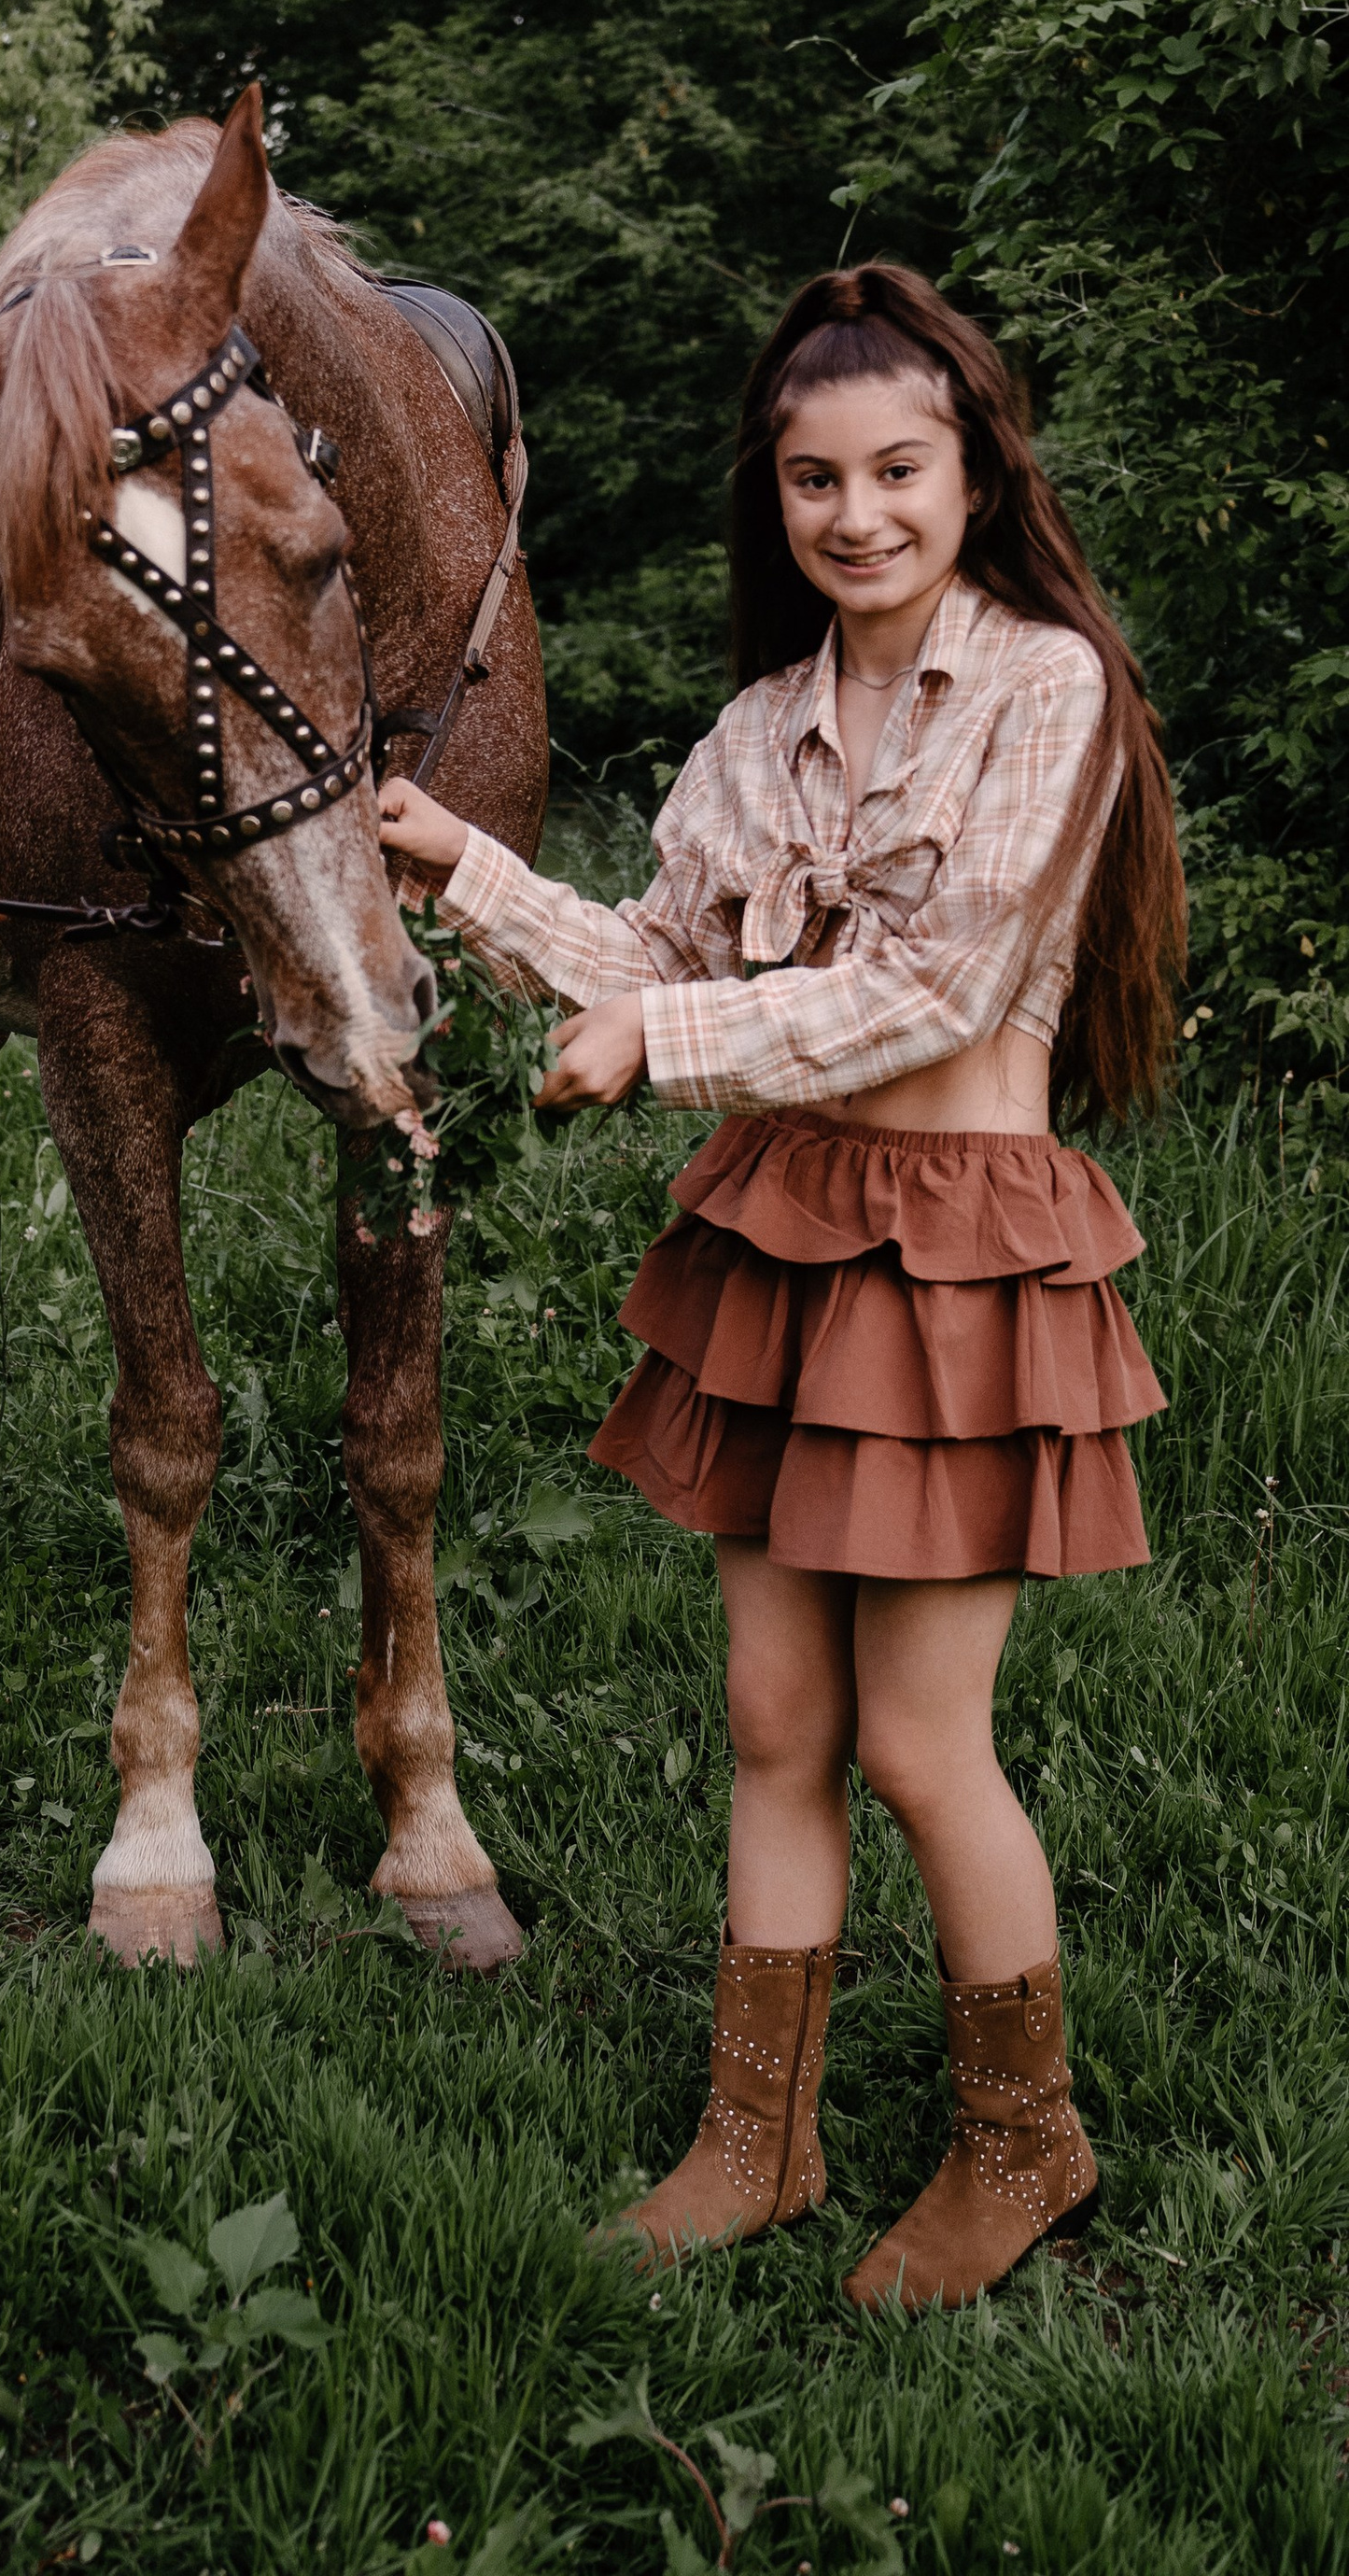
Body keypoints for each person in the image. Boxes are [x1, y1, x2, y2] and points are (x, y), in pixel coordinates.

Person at [379, 265, 1184, 2314]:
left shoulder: (1041, 689)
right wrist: (450, 863)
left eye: (896, 470)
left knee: (921, 1744)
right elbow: (662, 954)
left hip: (956, 1245)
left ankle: (1023, 2140)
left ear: (970, 472)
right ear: (777, 499)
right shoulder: (758, 731)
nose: (854, 513)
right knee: (766, 1720)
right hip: (785, 1230)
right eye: (813, 479)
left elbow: (936, 985)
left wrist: (663, 1049)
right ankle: (760, 2134)